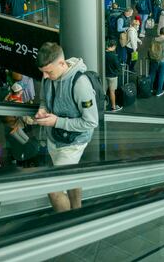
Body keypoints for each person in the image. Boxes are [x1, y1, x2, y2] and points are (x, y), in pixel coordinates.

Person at [34, 42, 99, 212]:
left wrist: (56, 122)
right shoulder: (49, 74)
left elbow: (91, 122)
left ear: (62, 64)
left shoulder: (80, 84)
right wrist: (43, 109)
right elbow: (44, 100)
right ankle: (76, 211)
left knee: (54, 190)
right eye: (43, 73)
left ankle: (67, 228)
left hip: (73, 142)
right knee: (72, 175)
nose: (46, 77)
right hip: (54, 137)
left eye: (49, 72)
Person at [148, 27, 164, 96]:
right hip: (163, 61)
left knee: (152, 74)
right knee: (161, 76)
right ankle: (159, 91)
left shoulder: (153, 39)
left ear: (159, 32)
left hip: (154, 59)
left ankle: (150, 89)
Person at [104, 40, 122, 112]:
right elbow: (118, 67)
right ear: (113, 46)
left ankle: (103, 105)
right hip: (112, 76)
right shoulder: (113, 56)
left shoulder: (103, 53)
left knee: (103, 91)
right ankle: (113, 107)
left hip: (104, 75)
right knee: (112, 92)